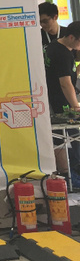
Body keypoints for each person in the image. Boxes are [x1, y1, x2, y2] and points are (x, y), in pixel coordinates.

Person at [44, 20, 80, 183]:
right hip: (59, 102)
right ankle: (70, 175)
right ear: (72, 37)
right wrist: (75, 105)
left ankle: (68, 174)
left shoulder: (56, 46)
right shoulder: (62, 54)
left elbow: (70, 75)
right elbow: (65, 83)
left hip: (56, 99)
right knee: (67, 138)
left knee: (64, 138)